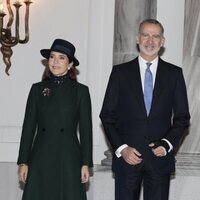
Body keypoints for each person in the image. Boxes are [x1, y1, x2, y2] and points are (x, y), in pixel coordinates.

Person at [100, 19, 190, 200]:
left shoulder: (174, 74)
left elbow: (182, 118)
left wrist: (166, 144)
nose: (150, 41)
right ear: (137, 38)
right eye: (145, 35)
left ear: (162, 41)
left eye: (156, 36)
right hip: (127, 160)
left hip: (159, 161)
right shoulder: (120, 73)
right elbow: (107, 115)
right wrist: (122, 148)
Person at [17, 39, 93, 200]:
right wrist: (23, 162)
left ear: (71, 64)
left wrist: (86, 163)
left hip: (69, 157)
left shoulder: (81, 92)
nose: (55, 62)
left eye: (62, 57)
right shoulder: (37, 89)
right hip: (41, 155)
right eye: (52, 57)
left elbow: (86, 131)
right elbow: (28, 127)